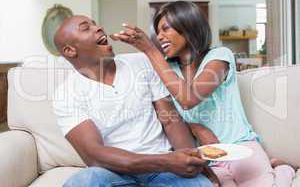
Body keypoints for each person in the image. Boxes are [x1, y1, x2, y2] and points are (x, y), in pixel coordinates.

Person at [111, 1, 296, 187]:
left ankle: (282, 169)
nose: (159, 37)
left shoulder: (219, 57)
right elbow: (166, 116)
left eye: (166, 29)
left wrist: (150, 49)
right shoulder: (166, 69)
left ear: (188, 25)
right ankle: (273, 168)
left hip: (241, 146)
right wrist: (195, 127)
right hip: (204, 156)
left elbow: (189, 99)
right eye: (158, 32)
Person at [52, 15, 214, 187]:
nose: (98, 28)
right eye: (86, 28)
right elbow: (94, 155)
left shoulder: (141, 62)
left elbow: (170, 120)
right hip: (114, 173)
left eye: (95, 24)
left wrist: (189, 160)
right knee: (84, 181)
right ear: (70, 51)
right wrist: (167, 161)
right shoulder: (66, 93)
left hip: (163, 172)